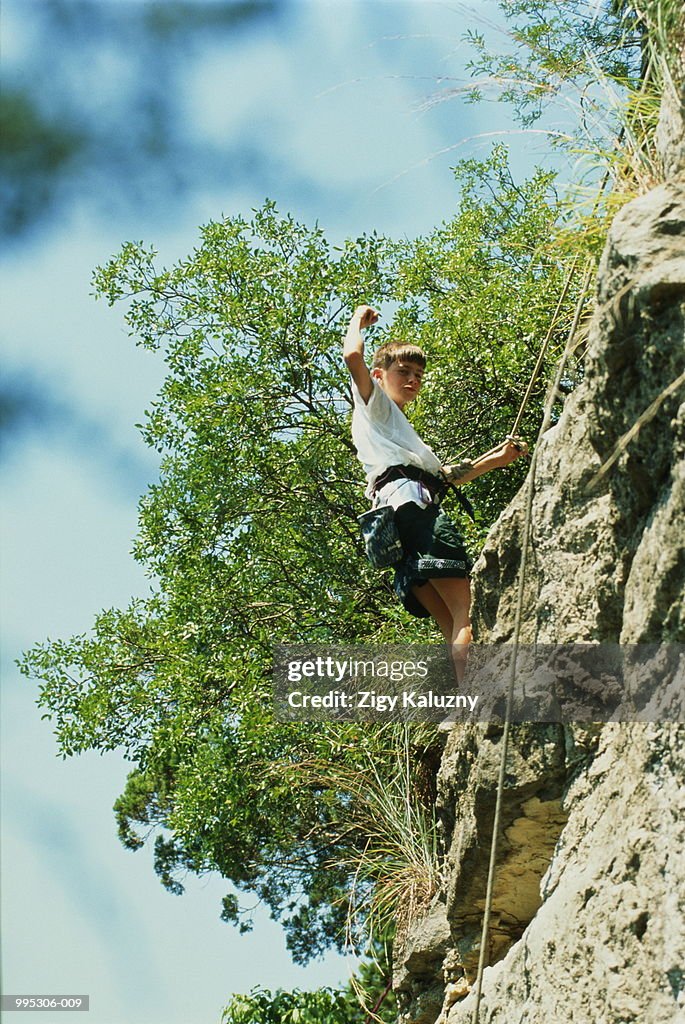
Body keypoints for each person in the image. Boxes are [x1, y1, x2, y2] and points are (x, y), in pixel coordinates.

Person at [343, 304, 527, 685]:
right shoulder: (376, 406)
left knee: (450, 626)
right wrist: (358, 320)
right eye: (403, 372)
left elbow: (445, 478)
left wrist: (497, 458)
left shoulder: (396, 434)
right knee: (466, 611)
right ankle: (476, 694)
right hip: (412, 510)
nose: (412, 379)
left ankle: (460, 701)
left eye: (418, 375)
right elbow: (352, 356)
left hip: (393, 528)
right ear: (379, 376)